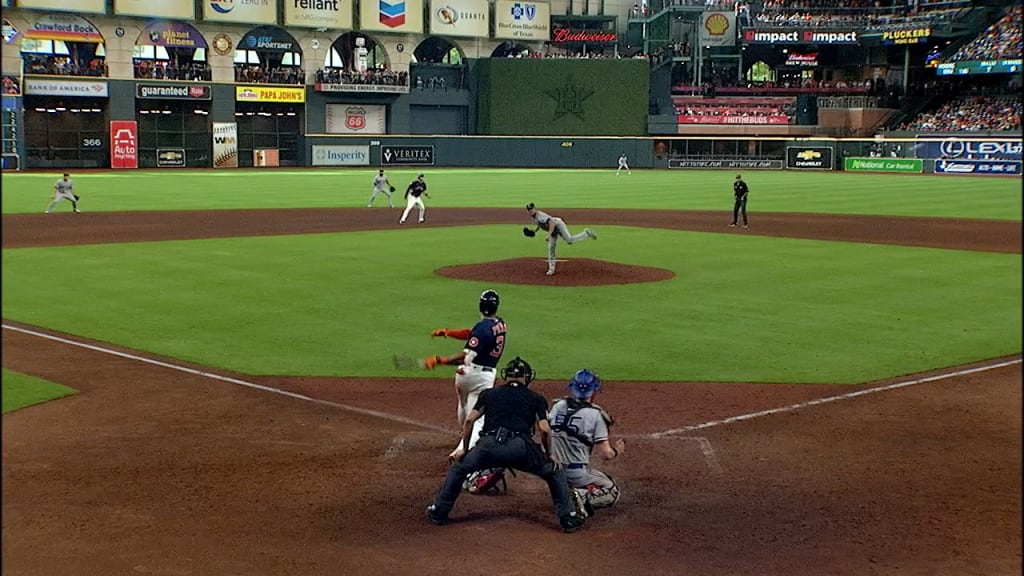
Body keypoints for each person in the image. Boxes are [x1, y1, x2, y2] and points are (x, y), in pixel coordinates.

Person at [425, 356, 588, 534]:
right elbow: (545, 430)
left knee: (459, 468)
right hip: (520, 448)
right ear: (527, 377)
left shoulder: (489, 394)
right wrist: (550, 455)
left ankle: (439, 512)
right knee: (554, 472)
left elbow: (470, 420)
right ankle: (568, 518)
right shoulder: (535, 398)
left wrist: (464, 448)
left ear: (506, 376)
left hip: (488, 447)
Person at [424, 289, 507, 467]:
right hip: (482, 377)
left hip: (464, 375)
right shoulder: (500, 324)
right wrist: (449, 333)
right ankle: (461, 450)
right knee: (477, 417)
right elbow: (472, 337)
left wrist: (440, 360)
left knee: (463, 404)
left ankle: (464, 436)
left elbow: (467, 352)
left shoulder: (481, 328)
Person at [548, 369, 625, 513]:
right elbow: (605, 454)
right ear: (594, 391)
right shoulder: (596, 415)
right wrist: (617, 451)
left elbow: (546, 428)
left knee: (601, 477)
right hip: (575, 473)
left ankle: (564, 491)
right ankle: (580, 497)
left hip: (553, 472)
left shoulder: (559, 405)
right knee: (612, 491)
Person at [526, 202, 597, 276]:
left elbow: (552, 222)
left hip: (558, 225)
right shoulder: (535, 217)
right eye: (529, 210)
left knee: (569, 240)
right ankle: (551, 269)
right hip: (552, 229)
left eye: (531, 209)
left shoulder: (540, 215)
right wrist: (534, 231)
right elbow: (540, 224)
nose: (530, 211)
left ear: (534, 209)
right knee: (551, 247)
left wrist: (549, 234)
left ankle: (586, 233)